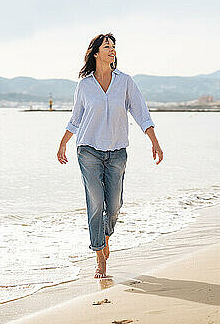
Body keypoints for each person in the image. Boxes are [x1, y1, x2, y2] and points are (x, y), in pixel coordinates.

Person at [56, 33, 163, 279]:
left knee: (114, 206)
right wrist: (62, 144)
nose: (112, 50)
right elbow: (76, 119)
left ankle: (105, 235)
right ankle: (99, 259)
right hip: (88, 151)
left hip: (117, 152)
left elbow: (141, 112)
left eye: (114, 46)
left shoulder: (125, 82)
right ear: (95, 53)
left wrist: (154, 141)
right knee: (95, 202)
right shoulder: (84, 85)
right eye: (107, 46)